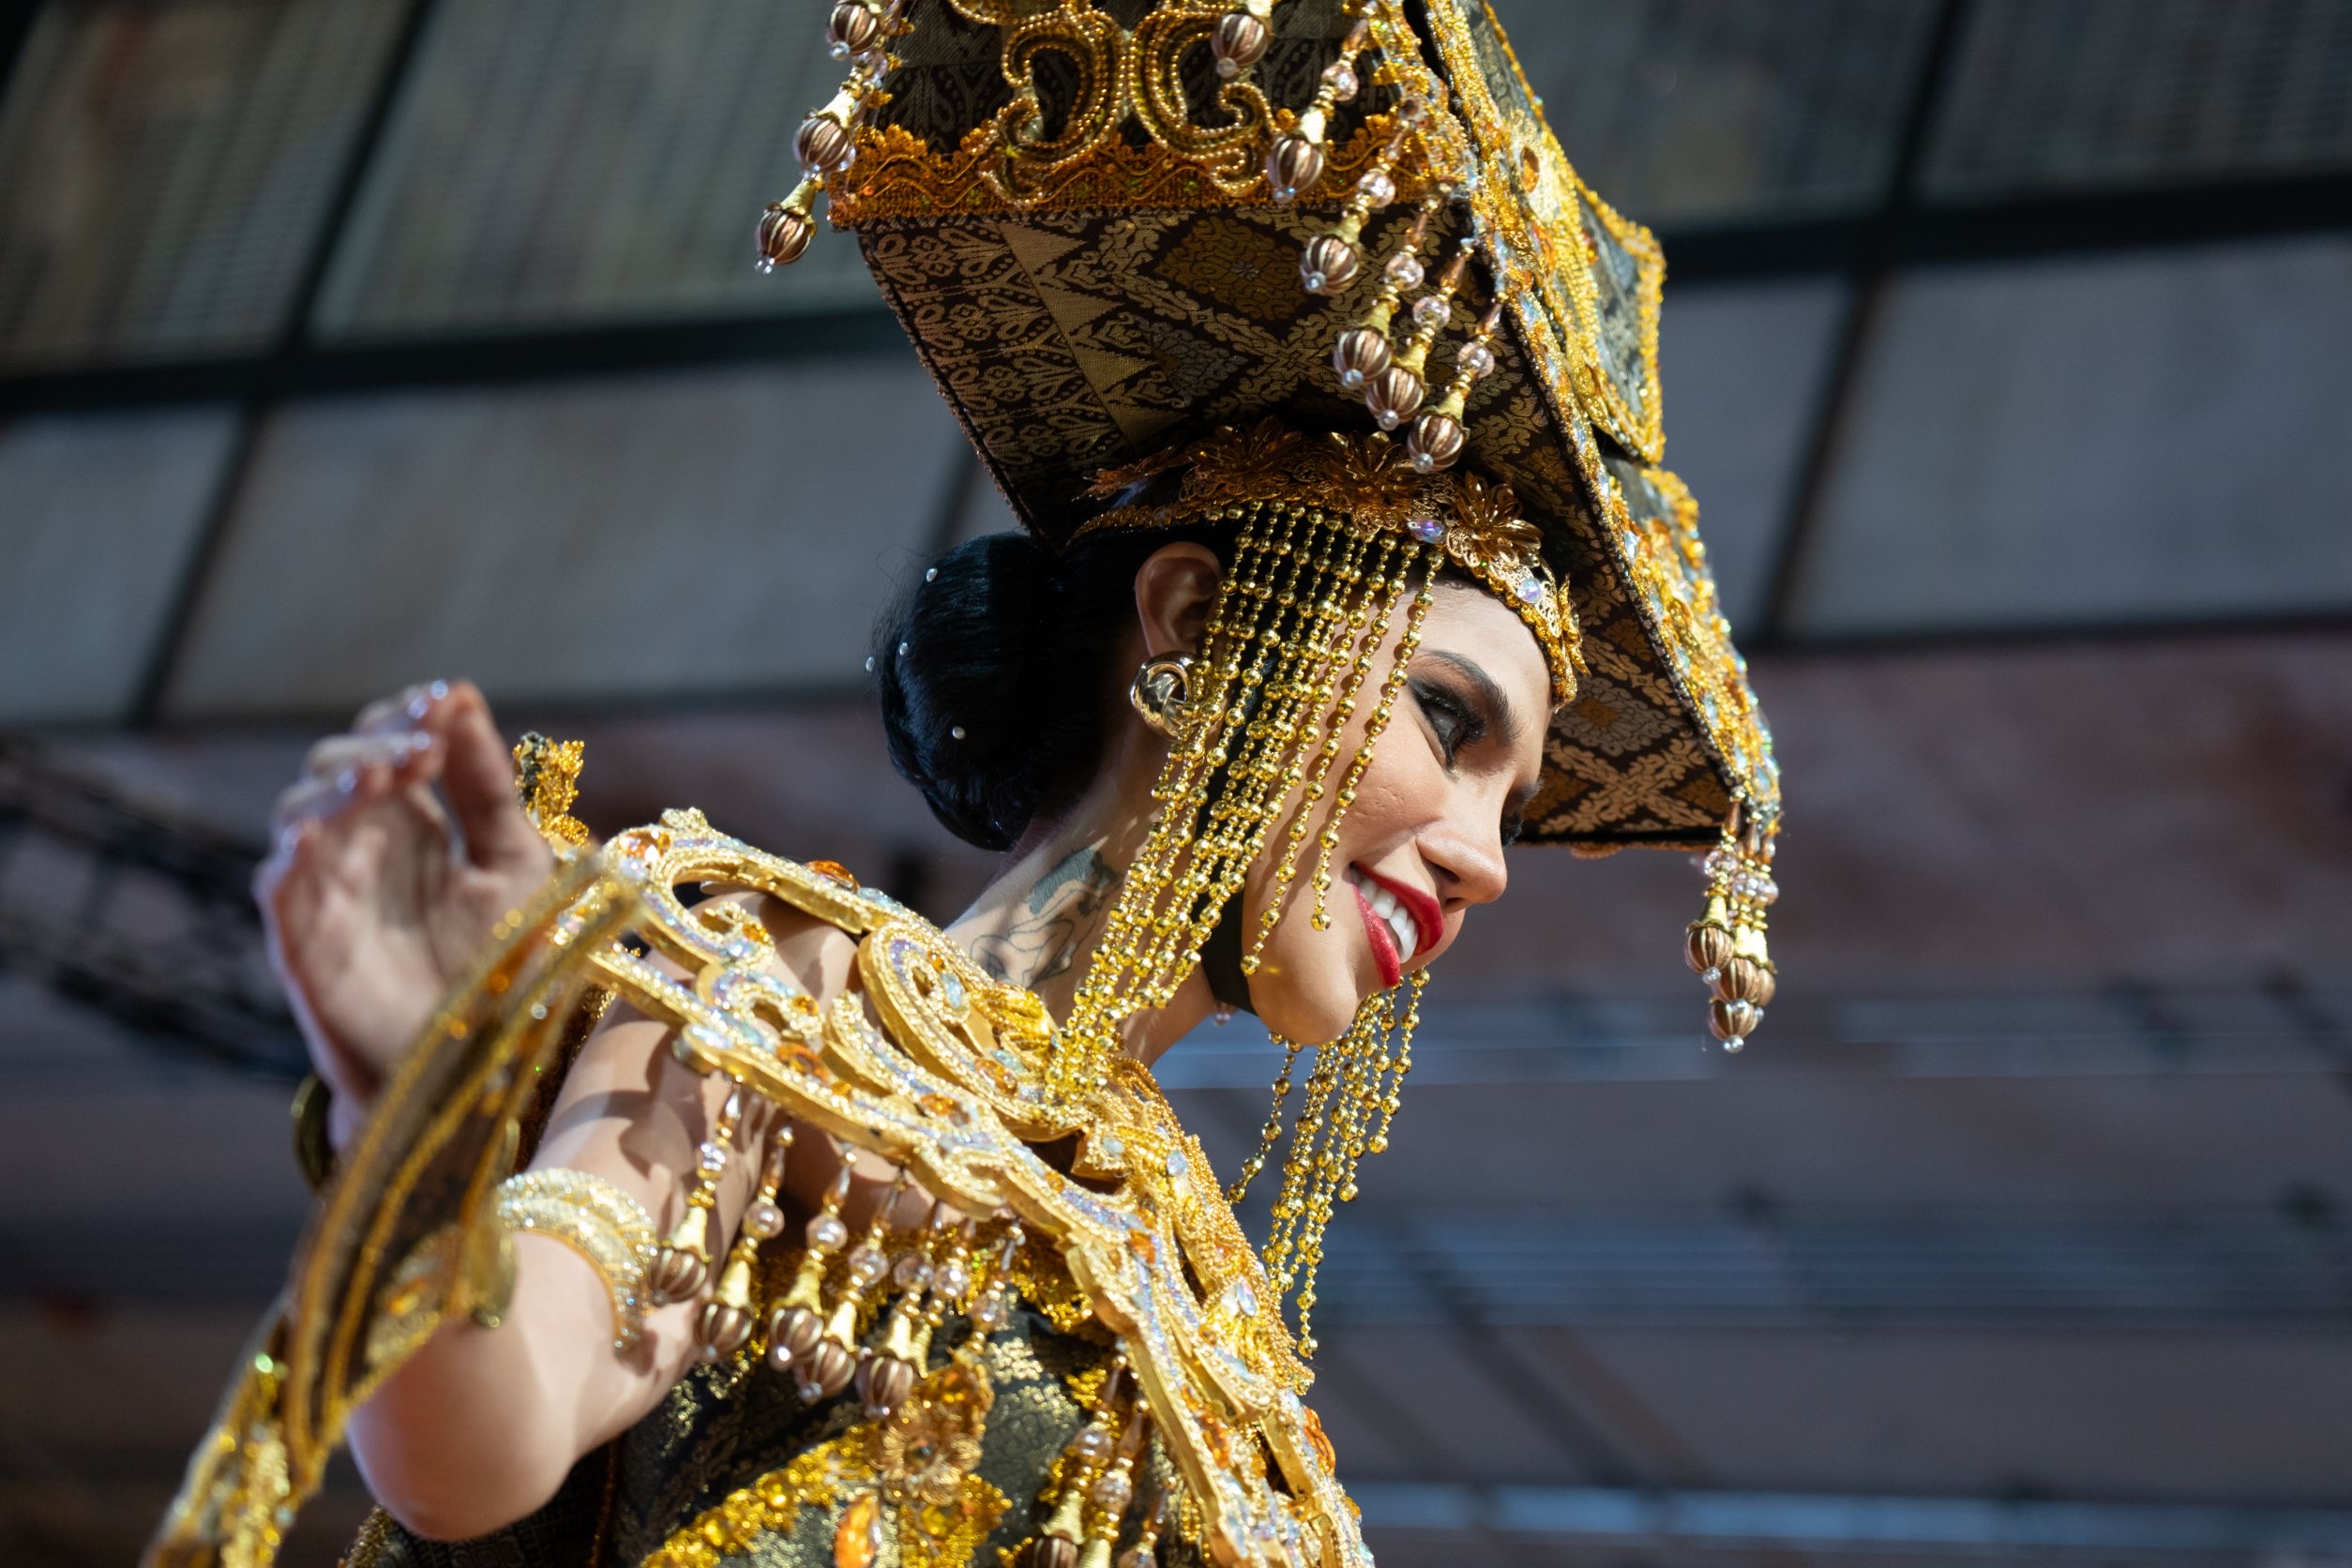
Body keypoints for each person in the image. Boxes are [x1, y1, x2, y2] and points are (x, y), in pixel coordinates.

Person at [151, 4, 1781, 1566]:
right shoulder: (786, 1001)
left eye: (1514, 805)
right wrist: (417, 1123)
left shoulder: (1212, 1307)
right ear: (1197, 621)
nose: (1486, 860)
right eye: (1449, 723)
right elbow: (476, 1441)